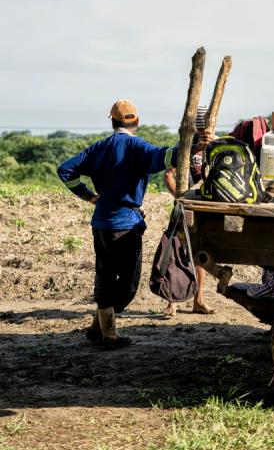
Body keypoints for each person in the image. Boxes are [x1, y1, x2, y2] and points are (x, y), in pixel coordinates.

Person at [57, 99, 213, 349]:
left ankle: (100, 327)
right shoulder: (138, 147)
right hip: (125, 224)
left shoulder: (98, 148)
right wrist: (195, 145)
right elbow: (169, 157)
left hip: (101, 222)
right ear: (136, 122)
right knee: (129, 282)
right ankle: (108, 334)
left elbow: (65, 170)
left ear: (113, 122)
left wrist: (87, 195)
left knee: (105, 274)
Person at [163, 105, 215, 316]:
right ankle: (171, 302)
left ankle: (198, 300)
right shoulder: (183, 147)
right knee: (176, 254)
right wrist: (180, 198)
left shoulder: (214, 147)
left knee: (200, 256)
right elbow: (168, 176)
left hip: (203, 210)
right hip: (182, 208)